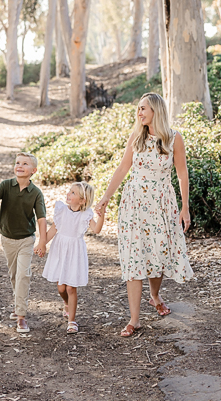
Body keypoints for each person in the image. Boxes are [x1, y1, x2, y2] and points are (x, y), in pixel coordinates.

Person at [95, 93, 194, 338]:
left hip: (161, 203)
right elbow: (123, 168)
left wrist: (185, 207)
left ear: (156, 111)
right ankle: (134, 319)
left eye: (143, 109)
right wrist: (106, 197)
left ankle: (155, 296)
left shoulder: (173, 138)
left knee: (158, 254)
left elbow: (182, 173)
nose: (139, 113)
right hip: (134, 204)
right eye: (138, 109)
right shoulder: (136, 137)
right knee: (134, 257)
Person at [0, 152, 47, 334]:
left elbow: (42, 219)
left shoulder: (36, 193)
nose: (20, 166)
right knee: (14, 275)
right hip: (7, 239)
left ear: (33, 170)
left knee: (23, 275)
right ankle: (18, 305)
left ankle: (21, 316)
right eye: (17, 163)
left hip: (26, 240)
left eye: (25, 164)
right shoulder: (6, 186)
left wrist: (42, 241)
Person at [38, 182, 104, 334]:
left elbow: (96, 229)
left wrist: (102, 215)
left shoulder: (86, 215)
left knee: (70, 287)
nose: (68, 194)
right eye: (69, 191)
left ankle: (72, 321)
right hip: (60, 250)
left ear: (82, 200)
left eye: (73, 193)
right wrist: (42, 244)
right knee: (61, 288)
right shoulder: (61, 211)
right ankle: (66, 303)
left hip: (75, 252)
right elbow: (52, 231)